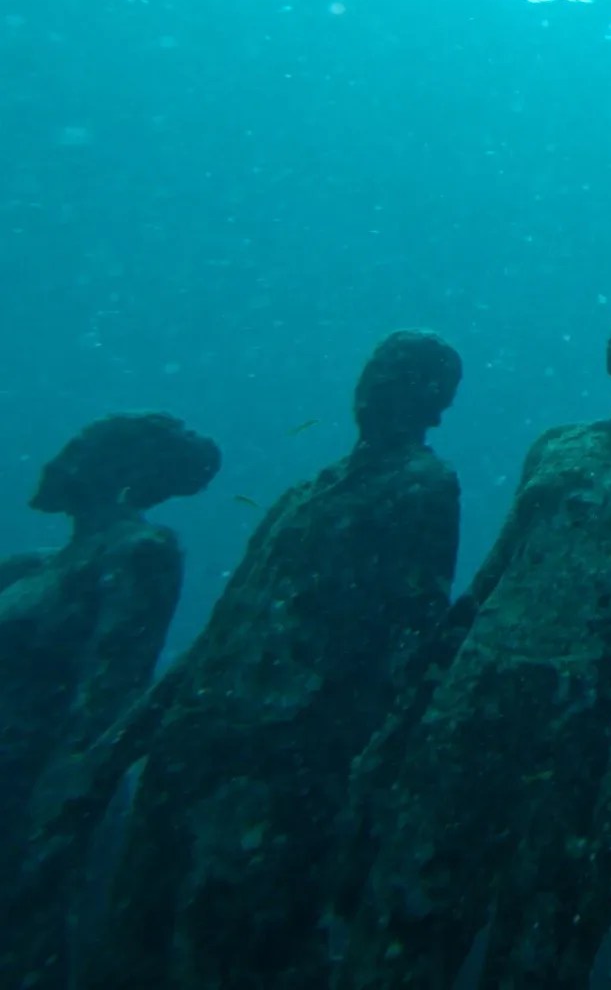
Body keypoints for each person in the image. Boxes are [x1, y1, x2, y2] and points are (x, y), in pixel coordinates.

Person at [23, 332, 462, 990]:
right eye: (375, 367)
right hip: (196, 744)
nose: (375, 384)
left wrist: (367, 770)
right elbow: (225, 625)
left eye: (401, 374)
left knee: (233, 947)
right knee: (133, 937)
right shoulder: (303, 493)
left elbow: (412, 635)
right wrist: (121, 746)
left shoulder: (423, 487)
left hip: (289, 759)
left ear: (435, 401)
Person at [338, 287, 611, 990]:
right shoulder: (557, 445)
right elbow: (491, 578)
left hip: (585, 719)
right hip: (474, 697)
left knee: (539, 937)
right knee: (406, 920)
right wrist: (416, 706)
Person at [0, 411, 220, 987]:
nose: (63, 453)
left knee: (32, 941)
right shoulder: (34, 566)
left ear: (121, 466)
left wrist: (67, 787)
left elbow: (112, 690)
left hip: (38, 785)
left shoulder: (136, 552)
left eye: (85, 442)